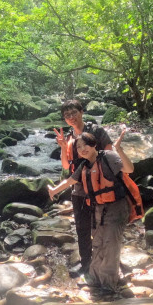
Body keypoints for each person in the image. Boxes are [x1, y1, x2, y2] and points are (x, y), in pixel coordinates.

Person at [49, 127, 138, 299]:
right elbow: (70, 181)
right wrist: (54, 190)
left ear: (94, 145)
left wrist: (119, 149)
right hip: (98, 208)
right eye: (79, 147)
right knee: (97, 243)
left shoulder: (109, 157)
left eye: (86, 145)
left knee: (111, 245)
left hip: (116, 208)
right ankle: (96, 280)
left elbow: (129, 169)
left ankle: (108, 285)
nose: (83, 149)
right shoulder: (84, 165)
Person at [53, 99, 93, 276]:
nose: (70, 117)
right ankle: (86, 264)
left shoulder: (94, 132)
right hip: (78, 190)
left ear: (81, 111)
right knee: (82, 229)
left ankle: (104, 262)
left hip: (97, 188)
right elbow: (65, 165)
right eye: (66, 115)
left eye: (73, 113)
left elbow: (107, 154)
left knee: (100, 228)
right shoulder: (69, 137)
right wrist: (63, 147)